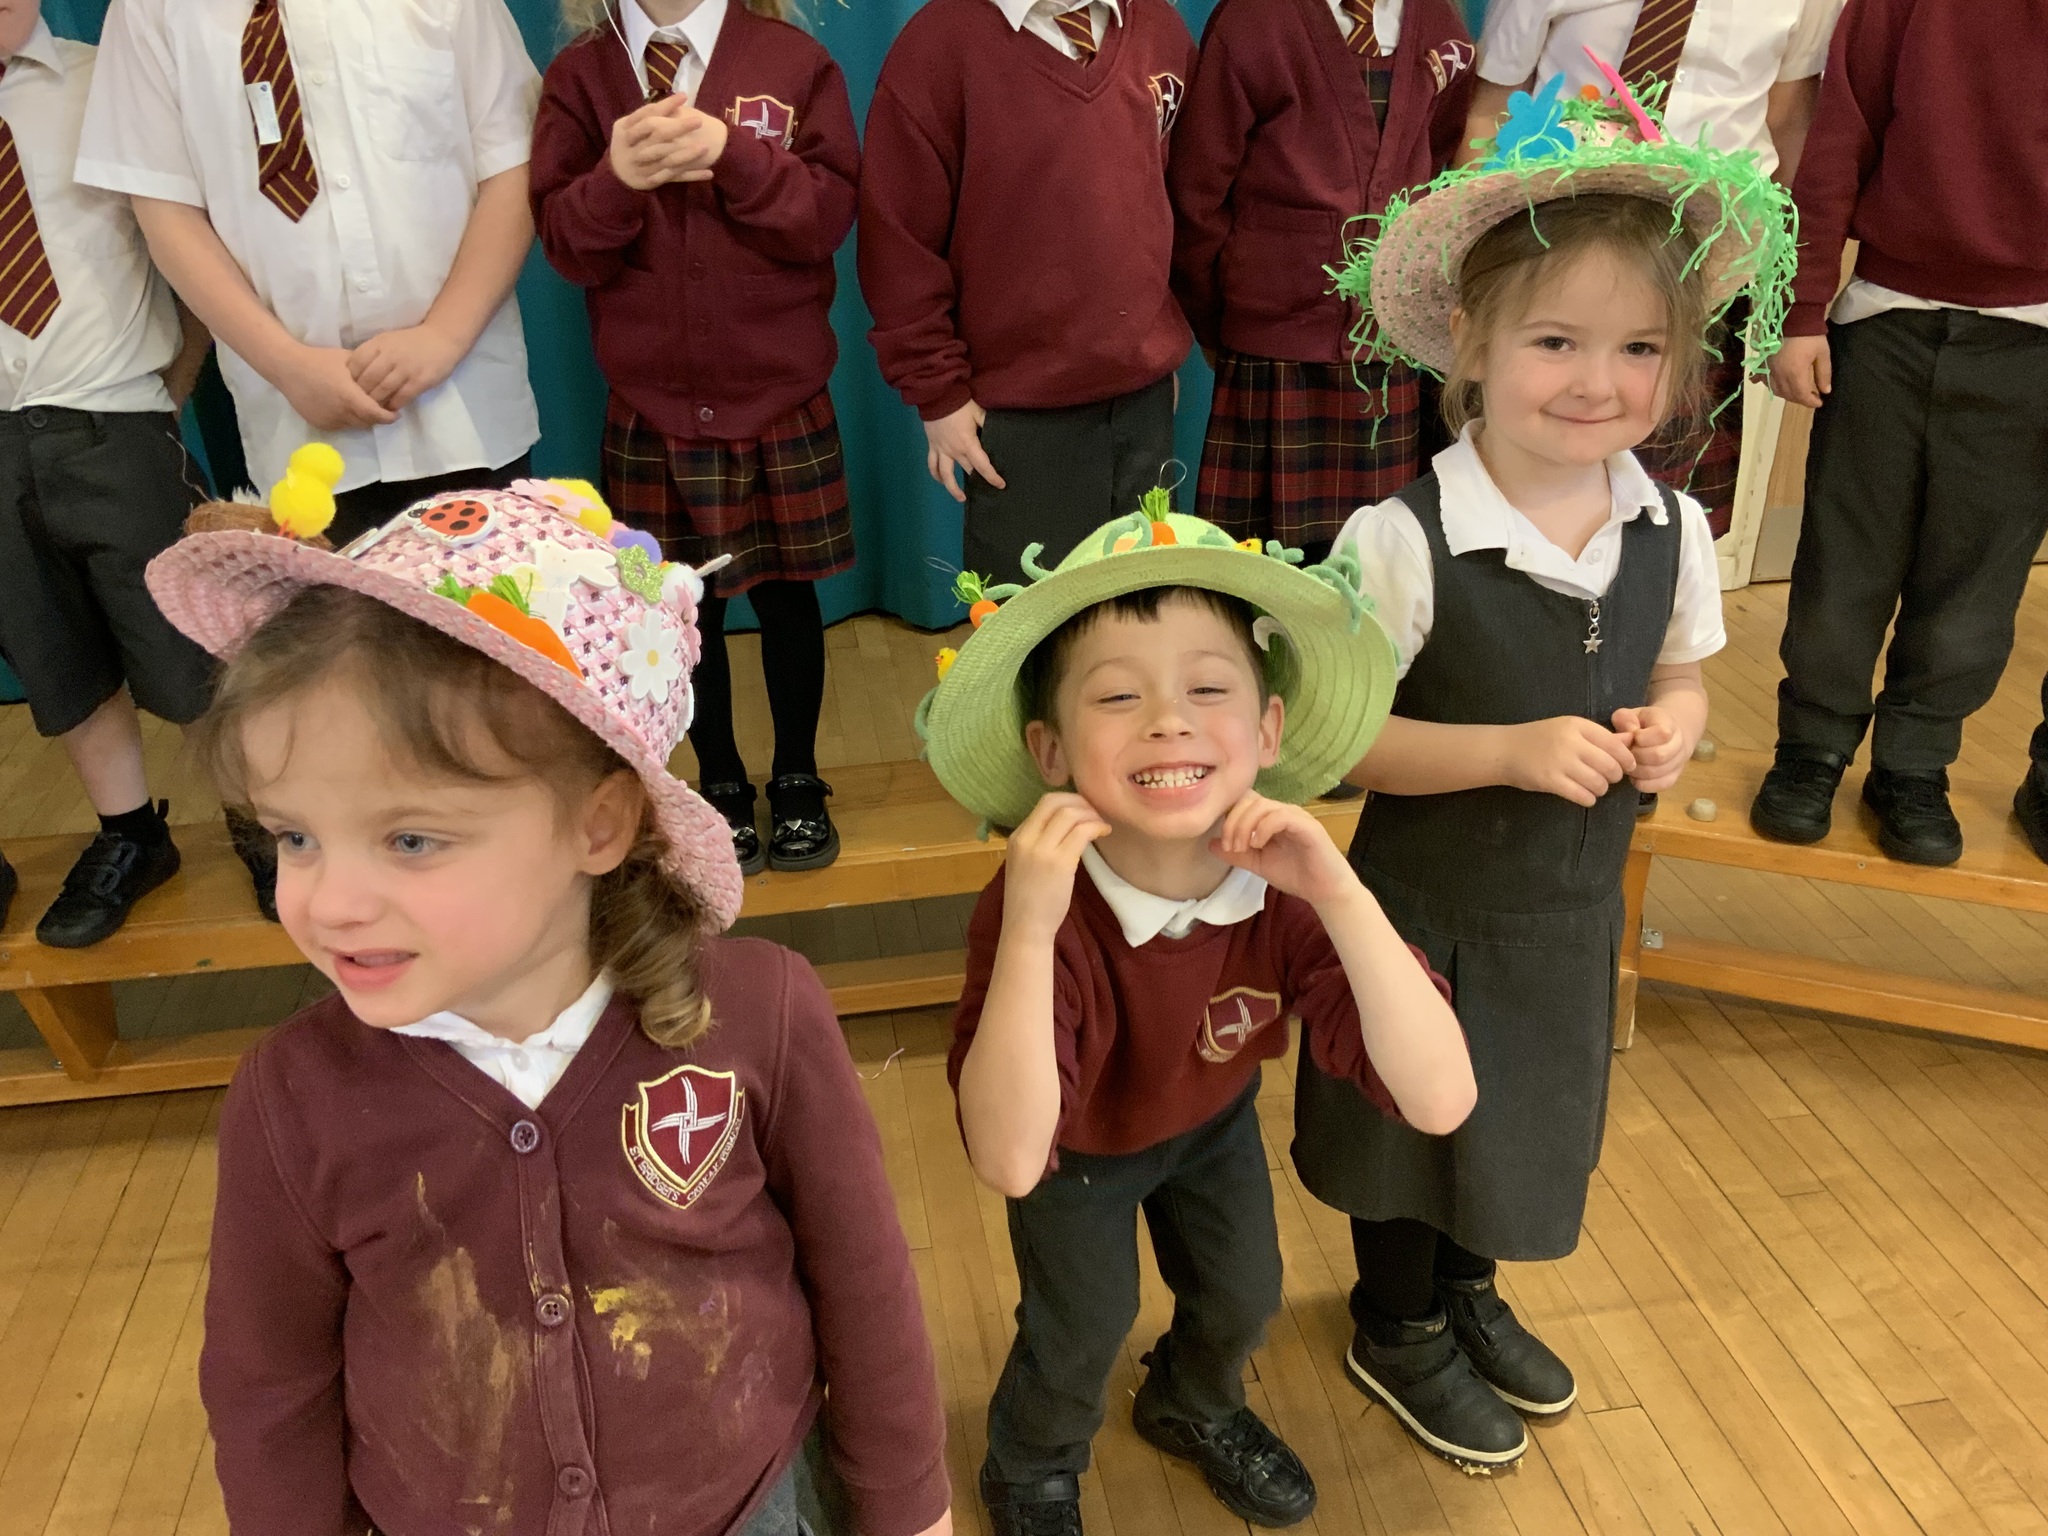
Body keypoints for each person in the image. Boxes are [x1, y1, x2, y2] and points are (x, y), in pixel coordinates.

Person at [144, 480, 952, 1536]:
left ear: (598, 826)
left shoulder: (763, 1015)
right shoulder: (291, 1097)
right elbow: (268, 1389)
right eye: (294, 836)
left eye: (410, 839)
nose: (329, 902)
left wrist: (908, 1509)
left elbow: (866, 1290)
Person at [1295, 80, 1791, 1469]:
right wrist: (1505, 753)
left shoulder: (1672, 526)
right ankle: (1395, 1320)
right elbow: (1333, 744)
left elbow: (1683, 673)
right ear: (1471, 342)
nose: (1596, 381)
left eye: (1639, 347)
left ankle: (1468, 1291)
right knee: (1408, 1129)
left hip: (1565, 918)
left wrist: (1674, 724)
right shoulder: (1400, 539)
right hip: (1422, 917)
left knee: (1516, 1121)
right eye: (1555, 340)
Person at [920, 509, 1478, 1535]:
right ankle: (1033, 1461)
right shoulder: (1038, 904)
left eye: (1208, 689)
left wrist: (1341, 893)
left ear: (1267, 731)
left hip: (1210, 1123)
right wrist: (1031, 925)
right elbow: (1006, 1157)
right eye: (1117, 695)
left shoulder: (1285, 885)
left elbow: (1440, 1099)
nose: (1168, 722)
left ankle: (1193, 1399)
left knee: (1243, 1296)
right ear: (1050, 749)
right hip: (1075, 1150)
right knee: (1081, 1326)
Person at [531, 0, 859, 876]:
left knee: (788, 601)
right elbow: (566, 246)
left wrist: (733, 154)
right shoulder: (581, 79)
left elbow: (826, 217)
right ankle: (718, 782)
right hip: (653, 412)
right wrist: (615, 180)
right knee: (683, 611)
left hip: (780, 401)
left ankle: (798, 776)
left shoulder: (793, 64)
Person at [74, 0, 544, 551]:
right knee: (338, 607)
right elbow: (166, 212)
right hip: (300, 434)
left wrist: (444, 335)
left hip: (465, 407)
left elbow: (513, 162)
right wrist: (287, 365)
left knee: (496, 596)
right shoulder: (150, 12)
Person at [1752, 0, 2048, 868]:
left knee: (1975, 583)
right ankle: (1810, 749)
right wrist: (1801, 310)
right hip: (1885, 321)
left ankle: (1914, 767)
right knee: (1842, 561)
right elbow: (1835, 145)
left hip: (2034, 344)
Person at [0, 0, 220, 949]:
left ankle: (262, 821)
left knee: (190, 646)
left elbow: (195, 247)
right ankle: (132, 833)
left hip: (115, 414)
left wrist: (172, 384)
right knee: (58, 651)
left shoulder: (110, 85)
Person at [1461, 0, 1844, 539]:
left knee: (1667, 507)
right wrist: (1472, 261)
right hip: (1555, 253)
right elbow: (1491, 108)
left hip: (1705, 263)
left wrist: (1782, 295)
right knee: (1530, 473)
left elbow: (1789, 123)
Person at [858, 0, 1198, 586]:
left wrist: (1153, 344)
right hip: (1014, 415)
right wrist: (937, 391)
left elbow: (1174, 199)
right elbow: (898, 241)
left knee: (1137, 606)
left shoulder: (1158, 28)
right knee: (1027, 620)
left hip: (1141, 405)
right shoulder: (938, 45)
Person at [1168, 0, 1477, 562]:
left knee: (1382, 559)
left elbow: (1440, 162)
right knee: (1264, 569)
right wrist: (1221, 324)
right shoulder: (1255, 22)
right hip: (1275, 353)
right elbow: (1196, 194)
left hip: (1390, 353)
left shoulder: (1438, 25)